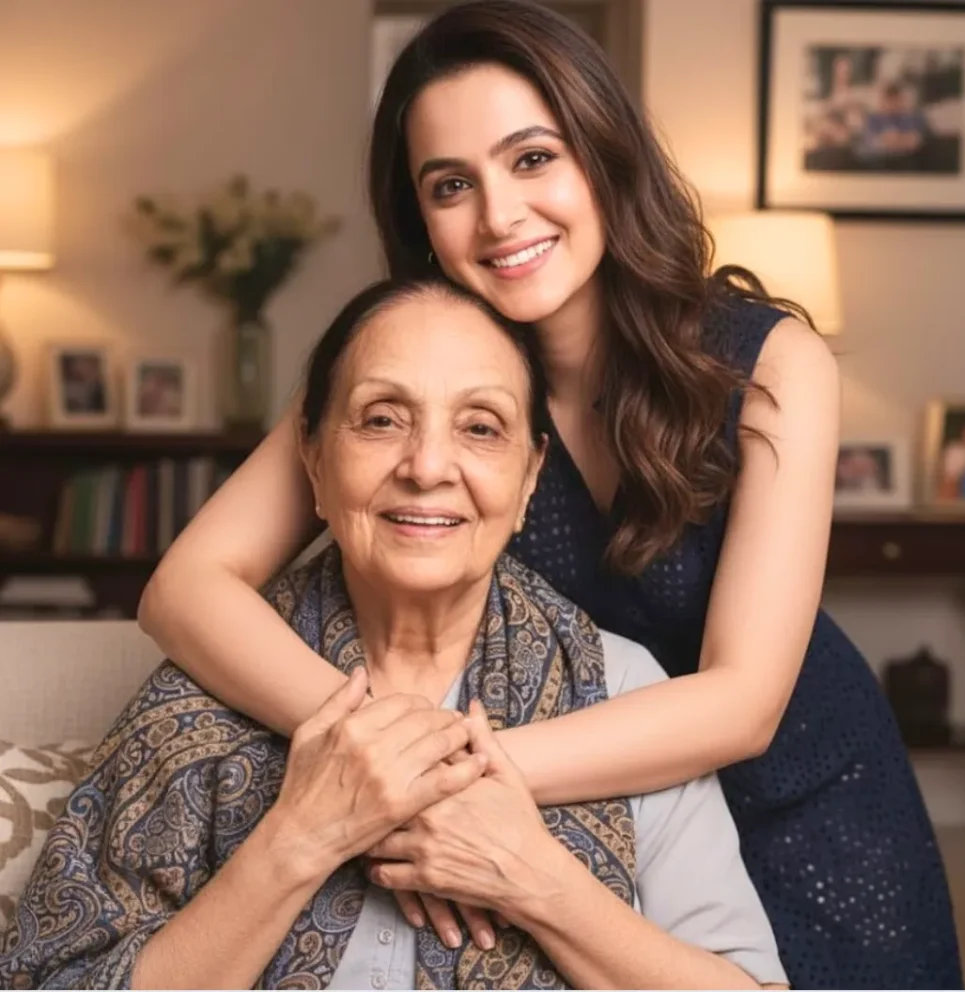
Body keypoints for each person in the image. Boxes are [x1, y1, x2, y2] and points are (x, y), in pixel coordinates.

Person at [136, 2, 963, 987]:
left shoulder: (769, 363)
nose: (498, 215)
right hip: (583, 819)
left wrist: (441, 777)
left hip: (809, 821)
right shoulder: (423, 377)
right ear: (419, 221)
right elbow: (184, 588)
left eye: (532, 159)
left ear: (604, 156)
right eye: (452, 184)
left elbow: (741, 702)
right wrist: (376, 755)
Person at [0, 279, 788, 991]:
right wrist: (297, 842)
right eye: (382, 420)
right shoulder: (200, 696)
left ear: (527, 480)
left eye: (481, 428)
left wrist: (538, 884)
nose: (428, 465)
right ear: (312, 459)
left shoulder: (622, 696)